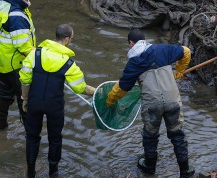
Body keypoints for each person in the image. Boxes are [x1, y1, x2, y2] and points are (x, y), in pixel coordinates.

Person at [105, 29, 194, 177]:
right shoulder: (162, 50)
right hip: (173, 100)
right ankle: (185, 170)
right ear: (144, 40)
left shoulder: (133, 63)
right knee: (177, 134)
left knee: (150, 136)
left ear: (131, 43)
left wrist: (109, 101)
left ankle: (149, 167)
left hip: (152, 105)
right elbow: (186, 52)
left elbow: (121, 88)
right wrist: (179, 71)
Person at [19, 24, 95, 177]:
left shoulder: (35, 55)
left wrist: (25, 99)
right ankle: (53, 171)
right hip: (55, 106)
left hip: (34, 102)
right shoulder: (69, 64)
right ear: (67, 39)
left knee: (32, 137)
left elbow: (25, 79)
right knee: (55, 138)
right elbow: (79, 88)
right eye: (71, 39)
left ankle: (30, 171)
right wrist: (96, 92)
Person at [0, 0, 36, 129]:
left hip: (3, 62)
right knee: (25, 99)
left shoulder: (4, 3)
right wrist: (40, 56)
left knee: (2, 97)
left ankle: (2, 130)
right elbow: (23, 47)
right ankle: (31, 132)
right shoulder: (17, 16)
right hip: (17, 65)